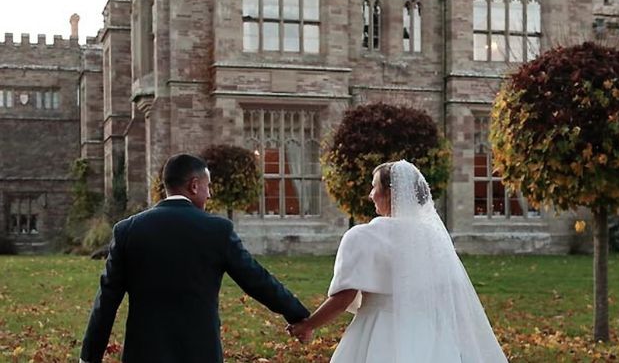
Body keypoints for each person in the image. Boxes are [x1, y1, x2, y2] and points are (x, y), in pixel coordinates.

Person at [80, 153, 310, 363]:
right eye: (208, 186)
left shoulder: (127, 230)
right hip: (200, 352)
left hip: (144, 353)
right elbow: (257, 280)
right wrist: (299, 315)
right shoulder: (217, 230)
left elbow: (107, 300)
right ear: (194, 185)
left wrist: (89, 357)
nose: (209, 194)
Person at [289, 160, 508, 363]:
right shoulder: (434, 239)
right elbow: (448, 294)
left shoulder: (362, 237)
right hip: (428, 335)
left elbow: (343, 297)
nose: (370, 194)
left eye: (374, 187)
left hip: (377, 331)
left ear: (390, 193)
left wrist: (309, 324)